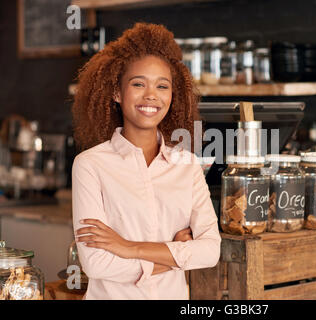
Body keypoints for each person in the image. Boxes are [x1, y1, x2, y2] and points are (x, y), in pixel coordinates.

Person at [71, 23, 221, 300]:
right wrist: (174, 254)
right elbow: (96, 263)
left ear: (172, 95)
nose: (151, 95)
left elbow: (211, 251)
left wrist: (129, 247)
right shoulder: (90, 165)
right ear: (117, 93)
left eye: (162, 86)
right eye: (138, 83)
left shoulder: (187, 165)